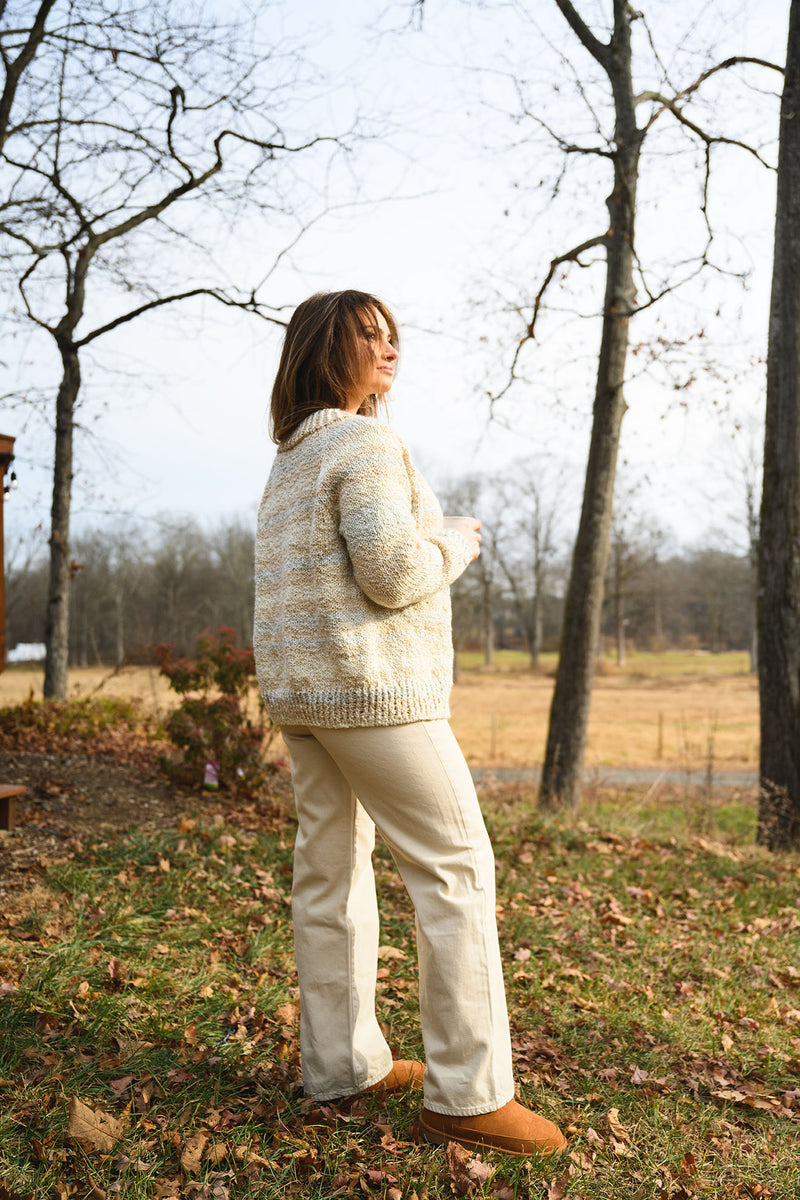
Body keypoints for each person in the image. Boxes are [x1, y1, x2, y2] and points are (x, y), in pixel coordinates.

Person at [254, 289, 566, 1157]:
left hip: (306, 700)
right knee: (457, 869)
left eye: (393, 336)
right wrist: (456, 540)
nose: (390, 349)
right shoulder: (365, 443)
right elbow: (392, 574)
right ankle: (468, 1096)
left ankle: (341, 1065)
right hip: (374, 695)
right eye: (368, 336)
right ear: (326, 349)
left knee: (328, 875)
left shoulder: (289, 459)